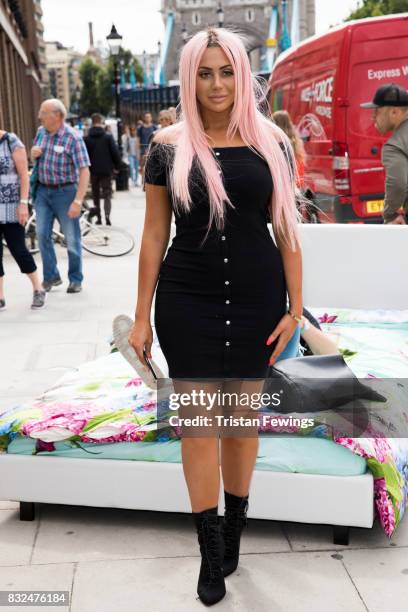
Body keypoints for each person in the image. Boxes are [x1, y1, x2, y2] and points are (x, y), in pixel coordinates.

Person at [128, 27, 302, 606]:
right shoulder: (167, 145)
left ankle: (235, 529)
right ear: (188, 77)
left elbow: (286, 229)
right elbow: (155, 233)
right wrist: (140, 316)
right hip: (188, 300)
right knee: (201, 426)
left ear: (242, 75)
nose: (217, 84)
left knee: (241, 423)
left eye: (226, 71)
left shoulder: (271, 141)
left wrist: (295, 309)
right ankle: (208, 550)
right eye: (204, 73)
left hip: (258, 299)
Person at [31, 99, 90, 294]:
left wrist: (78, 201)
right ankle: (51, 277)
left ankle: (75, 279)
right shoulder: (41, 133)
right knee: (41, 234)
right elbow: (36, 157)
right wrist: (34, 154)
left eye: (43, 112)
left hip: (65, 193)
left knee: (71, 238)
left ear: (56, 115)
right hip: (42, 192)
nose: (40, 116)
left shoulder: (73, 137)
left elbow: (84, 171)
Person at [0, 130, 46, 310]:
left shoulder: (11, 141)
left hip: (12, 208)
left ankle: (38, 289)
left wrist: (23, 203)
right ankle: (1, 297)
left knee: (18, 250)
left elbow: (23, 176)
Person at [361, 83, 408, 224]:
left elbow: (397, 184)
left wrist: (390, 216)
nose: (373, 117)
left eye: (377, 111)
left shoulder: (395, 145)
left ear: (394, 112)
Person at [84, 113, 121, 224]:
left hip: (93, 171)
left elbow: (85, 155)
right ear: (101, 122)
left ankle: (99, 217)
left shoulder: (87, 138)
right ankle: (107, 216)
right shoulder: (108, 137)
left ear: (92, 122)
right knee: (107, 194)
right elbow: (115, 153)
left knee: (96, 195)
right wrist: (117, 166)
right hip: (106, 170)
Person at [272, 110, 306, 188]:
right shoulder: (296, 142)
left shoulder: (274, 141)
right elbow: (300, 165)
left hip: (279, 185)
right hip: (294, 185)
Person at [137, 111, 158, 177]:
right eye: (146, 117)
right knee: (142, 168)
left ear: (151, 118)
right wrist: (137, 151)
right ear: (144, 118)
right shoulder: (140, 128)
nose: (147, 118)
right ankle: (143, 183)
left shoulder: (154, 127)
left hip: (152, 150)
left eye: (149, 117)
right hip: (143, 150)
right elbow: (138, 140)